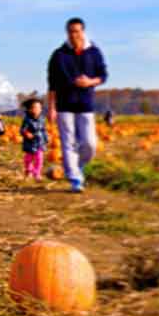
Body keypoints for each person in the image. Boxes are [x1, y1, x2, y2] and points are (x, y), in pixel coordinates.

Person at [47, 17, 108, 193]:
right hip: (64, 105)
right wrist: (51, 108)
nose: (74, 34)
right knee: (68, 143)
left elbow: (103, 75)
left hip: (86, 104)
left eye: (77, 31)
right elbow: (52, 84)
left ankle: (77, 165)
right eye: (71, 31)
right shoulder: (59, 55)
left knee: (90, 144)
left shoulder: (94, 52)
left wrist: (90, 82)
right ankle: (75, 178)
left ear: (83, 31)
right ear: (67, 32)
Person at [20, 98, 49, 180]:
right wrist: (26, 133)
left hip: (40, 142)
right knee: (28, 159)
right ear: (30, 109)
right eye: (35, 108)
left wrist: (46, 138)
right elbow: (22, 130)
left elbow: (43, 129)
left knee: (39, 159)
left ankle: (37, 173)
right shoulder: (27, 120)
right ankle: (29, 171)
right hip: (30, 142)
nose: (38, 109)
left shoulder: (42, 119)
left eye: (39, 108)